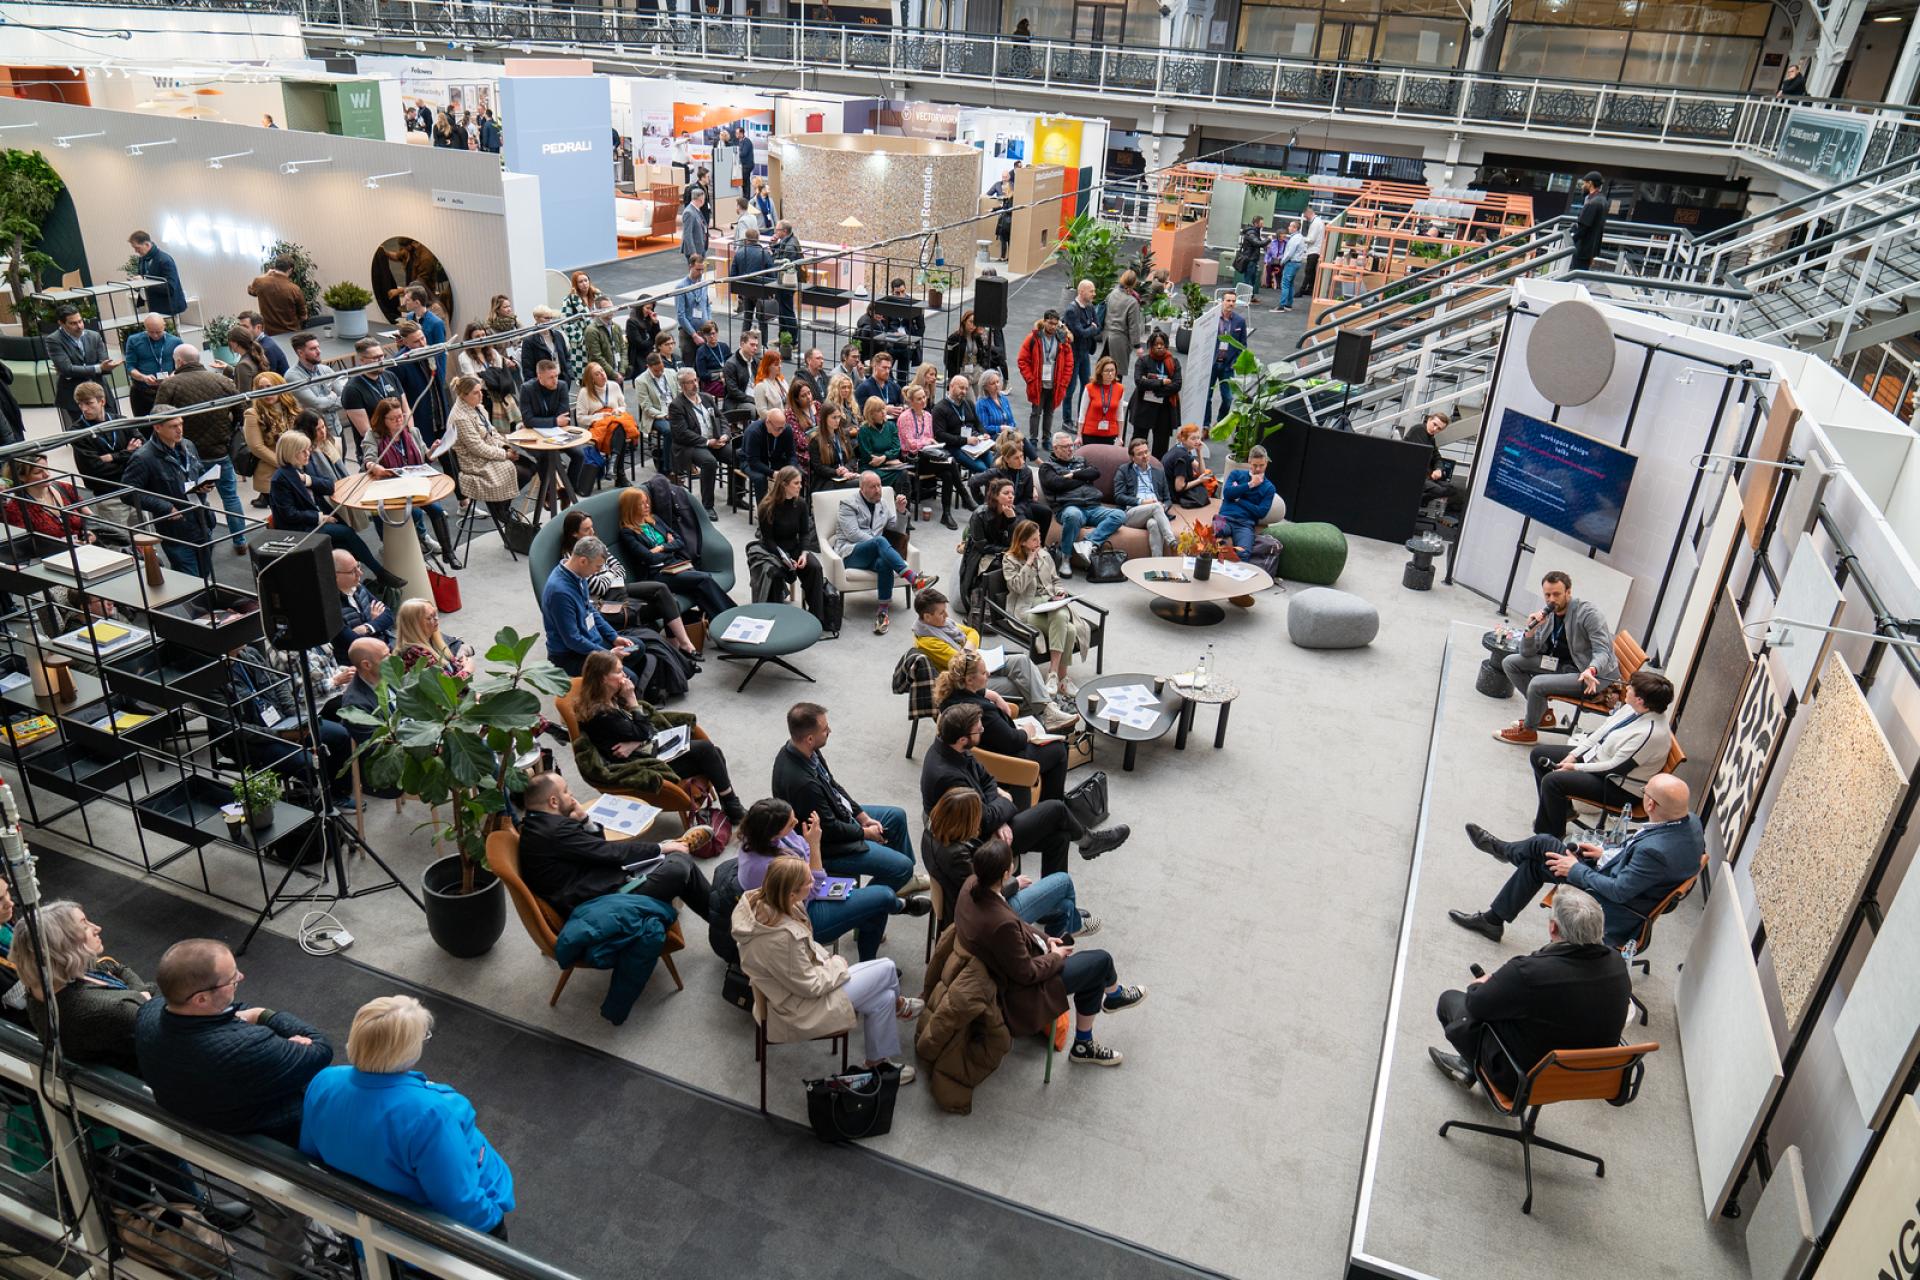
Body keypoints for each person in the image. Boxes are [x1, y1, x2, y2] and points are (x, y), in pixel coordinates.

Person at [135, 939, 333, 1271]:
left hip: (206, 1125)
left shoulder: (150, 1014)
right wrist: (263, 1016)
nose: (240, 977)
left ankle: (325, 1247)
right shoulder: (247, 1048)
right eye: (232, 978)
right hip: (270, 1148)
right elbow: (321, 1049)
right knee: (284, 1222)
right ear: (200, 999)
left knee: (286, 1217)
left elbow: (226, 1016)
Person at [299, 996, 514, 1235]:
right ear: (408, 1049)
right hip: (423, 1238)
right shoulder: (429, 1114)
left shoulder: (324, 1081)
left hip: (366, 1227)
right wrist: (494, 1221)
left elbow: (310, 1154)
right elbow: (460, 1202)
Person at [515, 773, 714, 1024]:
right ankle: (720, 918)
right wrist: (660, 848)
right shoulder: (555, 831)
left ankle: (719, 917)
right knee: (679, 866)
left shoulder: (536, 827)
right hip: (604, 901)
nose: (572, 795)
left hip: (596, 889)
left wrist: (585, 820)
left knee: (679, 867)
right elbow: (608, 852)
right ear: (553, 801)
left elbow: (593, 851)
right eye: (566, 792)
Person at [1450, 772, 1703, 947]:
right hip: (1629, 882)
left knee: (1544, 846)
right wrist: (1605, 855)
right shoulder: (1689, 821)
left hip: (1616, 905)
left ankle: (1502, 852)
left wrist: (1574, 869)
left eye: (1645, 791)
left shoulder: (1655, 852)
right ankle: (1493, 919)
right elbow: (1643, 867)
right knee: (1540, 859)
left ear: (1650, 804)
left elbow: (1619, 891)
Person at [956, 838, 1143, 1068]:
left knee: (1070, 922)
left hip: (1003, 966)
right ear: (1006, 874)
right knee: (1100, 962)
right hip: (1021, 992)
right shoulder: (1000, 924)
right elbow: (1026, 973)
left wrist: (1045, 939)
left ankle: (1107, 1007)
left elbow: (1015, 923)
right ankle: (1101, 1017)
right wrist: (1055, 956)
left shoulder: (971, 886)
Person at [733, 856, 921, 1084]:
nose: (813, 881)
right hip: (800, 1008)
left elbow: (806, 954)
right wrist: (837, 965)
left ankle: (877, 1062)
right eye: (807, 881)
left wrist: (829, 962)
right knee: (887, 967)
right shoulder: (780, 939)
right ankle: (900, 1008)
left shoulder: (770, 904)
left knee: (884, 997)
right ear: (791, 893)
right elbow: (810, 986)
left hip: (800, 989)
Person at [1429, 885, 1629, 1094]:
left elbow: (1476, 1005)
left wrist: (1480, 985)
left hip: (1523, 1079)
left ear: (1553, 927)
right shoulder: (1616, 962)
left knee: (1450, 1000)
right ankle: (1469, 1066)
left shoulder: (1528, 972)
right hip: (1584, 1079)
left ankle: (1473, 1066)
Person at [920, 701, 1126, 878]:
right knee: (1056, 809)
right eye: (979, 730)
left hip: (988, 819)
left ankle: (1056, 910)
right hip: (979, 842)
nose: (982, 732)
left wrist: (997, 808)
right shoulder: (947, 776)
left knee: (1060, 837)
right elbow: (984, 820)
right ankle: (1089, 842)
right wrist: (1004, 802)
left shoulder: (952, 748)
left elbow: (987, 778)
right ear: (963, 739)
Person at [735, 799, 929, 963]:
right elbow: (812, 887)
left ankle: (871, 957)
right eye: (790, 825)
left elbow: (804, 851)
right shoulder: (765, 866)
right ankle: (897, 909)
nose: (796, 822)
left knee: (874, 902)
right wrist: (814, 844)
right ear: (773, 832)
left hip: (807, 891)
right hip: (802, 918)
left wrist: (810, 854)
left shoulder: (767, 838)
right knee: (883, 896)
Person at [772, 701, 924, 895]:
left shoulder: (806, 750)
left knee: (897, 817)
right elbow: (830, 829)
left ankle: (902, 882)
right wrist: (865, 833)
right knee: (902, 866)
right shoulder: (802, 784)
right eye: (825, 729)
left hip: (837, 813)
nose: (830, 731)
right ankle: (874, 900)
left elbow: (832, 785)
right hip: (829, 845)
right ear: (810, 738)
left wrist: (862, 817)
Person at [571, 650, 739, 815]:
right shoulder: (602, 715)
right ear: (603, 678)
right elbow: (643, 730)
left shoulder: (611, 698)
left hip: (645, 748)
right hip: (640, 762)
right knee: (708, 750)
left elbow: (647, 726)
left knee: (712, 752)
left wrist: (636, 741)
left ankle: (730, 803)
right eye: (619, 672)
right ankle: (731, 804)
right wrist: (632, 700)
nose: (625, 676)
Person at [922, 788, 1094, 937]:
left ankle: (1056, 934)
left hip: (964, 906)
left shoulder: (933, 833)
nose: (979, 822)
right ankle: (1071, 928)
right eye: (976, 816)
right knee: (1063, 882)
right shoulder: (957, 856)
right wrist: (1014, 883)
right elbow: (980, 894)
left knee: (1060, 841)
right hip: (988, 916)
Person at [1527, 670, 1674, 837]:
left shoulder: (1651, 734)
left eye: (1631, 688)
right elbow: (1602, 732)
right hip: (1600, 759)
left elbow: (1615, 768)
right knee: (1539, 755)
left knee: (1553, 781)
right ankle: (1562, 812)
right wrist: (1574, 755)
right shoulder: (1634, 708)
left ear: (1640, 700)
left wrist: (1575, 767)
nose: (1626, 689)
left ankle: (1548, 835)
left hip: (1617, 786)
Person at [912, 589, 1076, 731]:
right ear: (927, 616)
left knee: (1022, 661)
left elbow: (972, 632)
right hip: (964, 683)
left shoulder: (943, 624)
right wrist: (968, 652)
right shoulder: (927, 641)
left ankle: (1046, 711)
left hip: (977, 665)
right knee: (1022, 683)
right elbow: (962, 661)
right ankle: (1045, 712)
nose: (947, 615)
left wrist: (968, 649)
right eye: (942, 613)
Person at [1495, 570, 1620, 745]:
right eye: (1547, 595)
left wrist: (1592, 669)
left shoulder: (1589, 614)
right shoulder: (1550, 614)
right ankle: (1544, 715)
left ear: (1568, 592)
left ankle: (1529, 731)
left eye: (1557, 594)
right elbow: (1526, 653)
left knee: (1537, 684)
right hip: (1562, 665)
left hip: (1590, 674)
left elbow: (1603, 651)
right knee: (1510, 663)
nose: (1551, 599)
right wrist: (1530, 631)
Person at [934, 648, 1073, 803]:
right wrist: (1027, 732)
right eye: (983, 672)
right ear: (969, 680)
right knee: (1060, 749)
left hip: (984, 752)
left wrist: (995, 696)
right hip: (1007, 760)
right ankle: (1052, 802)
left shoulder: (950, 697)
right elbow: (1012, 741)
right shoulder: (982, 712)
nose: (988, 674)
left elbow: (976, 694)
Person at [155, 342, 248, 556]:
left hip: (186, 454)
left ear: (178, 362)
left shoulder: (170, 386)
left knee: (197, 499)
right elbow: (240, 409)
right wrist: (230, 431)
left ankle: (205, 540)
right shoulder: (222, 381)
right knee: (230, 497)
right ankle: (240, 540)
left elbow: (158, 415)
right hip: (220, 451)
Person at [269, 430, 396, 584]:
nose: (308, 453)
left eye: (308, 449)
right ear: (291, 453)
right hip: (301, 529)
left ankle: (360, 580)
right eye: (303, 451)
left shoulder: (300, 469)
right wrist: (319, 518)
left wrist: (308, 480)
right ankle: (378, 574)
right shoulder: (280, 479)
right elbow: (289, 514)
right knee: (348, 534)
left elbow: (329, 486)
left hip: (314, 522)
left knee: (345, 542)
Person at [833, 472, 937, 635]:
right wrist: (878, 543)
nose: (878, 490)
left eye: (879, 485)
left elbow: (896, 529)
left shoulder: (882, 503)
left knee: (884, 563)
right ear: (862, 488)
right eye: (872, 487)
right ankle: (913, 579)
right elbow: (853, 534)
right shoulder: (848, 504)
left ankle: (882, 613)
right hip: (851, 554)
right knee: (881, 542)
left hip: (875, 553)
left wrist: (901, 512)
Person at [615, 485, 736, 621]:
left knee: (699, 588)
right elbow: (649, 558)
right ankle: (732, 617)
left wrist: (662, 548)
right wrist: (669, 546)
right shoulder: (628, 533)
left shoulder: (654, 520)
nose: (647, 505)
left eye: (647, 501)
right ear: (631, 507)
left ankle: (719, 620)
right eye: (641, 504)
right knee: (704, 579)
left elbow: (680, 541)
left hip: (676, 565)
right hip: (658, 574)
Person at [365, 398, 462, 567]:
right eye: (393, 418)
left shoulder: (412, 431)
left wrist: (433, 450)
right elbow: (369, 460)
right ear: (382, 420)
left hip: (415, 483)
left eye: (401, 416)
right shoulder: (374, 436)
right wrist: (376, 467)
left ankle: (449, 553)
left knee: (437, 510)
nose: (399, 421)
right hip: (390, 486)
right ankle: (413, 554)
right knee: (414, 513)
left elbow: (425, 457)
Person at [1003, 518, 1091, 696]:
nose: (1039, 542)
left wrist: (1060, 592)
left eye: (1039, 537)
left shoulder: (1044, 554)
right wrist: (1028, 562)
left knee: (1067, 625)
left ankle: (1053, 675)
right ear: (1023, 541)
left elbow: (1056, 580)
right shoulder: (1009, 559)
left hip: (1049, 604)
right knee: (1067, 626)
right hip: (1026, 607)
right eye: (1034, 539)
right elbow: (1017, 587)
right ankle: (1063, 679)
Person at [121, 416, 215, 574]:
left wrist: (205, 483)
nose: (180, 429)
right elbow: (128, 493)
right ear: (157, 428)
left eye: (181, 424)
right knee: (190, 580)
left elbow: (198, 470)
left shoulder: (188, 445)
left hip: (202, 522)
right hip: (176, 530)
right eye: (173, 426)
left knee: (206, 575)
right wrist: (165, 507)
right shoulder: (143, 458)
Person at [447, 373, 525, 530]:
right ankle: (500, 509)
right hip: (474, 463)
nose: (481, 395)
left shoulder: (477, 407)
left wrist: (506, 446)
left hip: (487, 453)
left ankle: (502, 507)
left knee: (529, 464)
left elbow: (492, 432)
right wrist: (505, 455)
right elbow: (477, 448)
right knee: (520, 470)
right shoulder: (460, 417)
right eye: (476, 392)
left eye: (480, 390)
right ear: (463, 395)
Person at [1039, 432, 1124, 576]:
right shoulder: (1047, 467)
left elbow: (1095, 473)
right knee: (1073, 515)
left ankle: (1089, 542)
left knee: (1119, 515)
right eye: (1066, 446)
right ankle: (1066, 559)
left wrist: (1072, 475)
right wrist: (1082, 477)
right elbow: (1057, 484)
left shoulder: (1080, 460)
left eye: (1071, 445)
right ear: (1056, 448)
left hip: (1093, 507)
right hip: (1068, 507)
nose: (1070, 449)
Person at [750, 464, 826, 618]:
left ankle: (817, 617)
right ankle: (776, 617)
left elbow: (805, 533)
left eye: (800, 482)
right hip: (773, 550)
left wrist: (804, 554)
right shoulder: (766, 506)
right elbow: (768, 539)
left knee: (815, 568)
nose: (800, 486)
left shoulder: (801, 504)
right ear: (784, 484)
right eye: (796, 483)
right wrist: (783, 557)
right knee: (775, 573)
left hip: (794, 547)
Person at [897, 383, 965, 529]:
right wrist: (927, 441)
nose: (923, 401)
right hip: (912, 459)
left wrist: (929, 442)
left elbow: (930, 438)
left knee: (947, 473)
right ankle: (964, 494)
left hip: (928, 456)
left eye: (924, 397)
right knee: (950, 462)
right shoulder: (904, 417)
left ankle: (946, 514)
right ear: (911, 401)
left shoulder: (928, 416)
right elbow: (910, 444)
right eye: (919, 399)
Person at [667, 368, 732, 518]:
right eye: (690, 382)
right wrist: (708, 442)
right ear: (682, 385)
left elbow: (721, 418)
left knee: (737, 455)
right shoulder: (677, 405)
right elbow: (682, 434)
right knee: (709, 462)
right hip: (692, 445)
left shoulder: (707, 398)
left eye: (695, 380)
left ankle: (736, 496)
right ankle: (708, 506)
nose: (695, 384)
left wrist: (725, 435)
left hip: (715, 439)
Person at [44, 304, 121, 427]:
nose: (79, 326)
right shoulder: (53, 340)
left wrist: (98, 368)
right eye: (73, 323)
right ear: (62, 324)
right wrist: (97, 368)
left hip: (100, 391)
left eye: (80, 321)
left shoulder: (94, 336)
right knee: (85, 435)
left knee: (114, 427)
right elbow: (67, 369)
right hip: (74, 396)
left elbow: (105, 364)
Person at [68, 381, 140, 505]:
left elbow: (142, 450)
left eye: (89, 403)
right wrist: (128, 455)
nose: (84, 409)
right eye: (80, 404)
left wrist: (113, 457)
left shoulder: (121, 421)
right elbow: (94, 468)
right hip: (108, 494)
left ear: (102, 401)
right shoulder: (77, 432)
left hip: (135, 488)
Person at [1111, 436, 1178, 558]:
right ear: (1132, 457)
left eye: (1146, 452)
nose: (1145, 456)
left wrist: (1165, 506)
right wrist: (1142, 502)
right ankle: (1172, 541)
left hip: (1155, 512)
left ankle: (1156, 565)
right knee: (1156, 506)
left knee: (1154, 524)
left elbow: (1168, 499)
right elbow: (1119, 496)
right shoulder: (1124, 470)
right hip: (1132, 513)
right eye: (1140, 454)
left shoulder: (1159, 472)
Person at [4, 453, 92, 543]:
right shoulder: (15, 508)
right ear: (21, 477)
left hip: (85, 548)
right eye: (38, 472)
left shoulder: (64, 487)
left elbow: (90, 516)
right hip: (55, 555)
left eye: (47, 468)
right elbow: (25, 544)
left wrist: (90, 533)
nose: (46, 474)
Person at [578, 361, 640, 487]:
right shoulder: (585, 392)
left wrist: (618, 410)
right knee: (620, 426)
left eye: (602, 371)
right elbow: (580, 418)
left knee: (618, 423)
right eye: (597, 374)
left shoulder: (614, 386)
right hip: (598, 425)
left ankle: (614, 464)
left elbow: (623, 406)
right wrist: (599, 416)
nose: (602, 374)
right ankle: (619, 473)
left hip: (616, 421)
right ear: (591, 379)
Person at [1017, 311, 1074, 437]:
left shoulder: (1062, 340)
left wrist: (1064, 382)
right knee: (1036, 412)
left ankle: (1047, 438)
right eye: (1050, 323)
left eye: (1055, 324)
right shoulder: (1033, 338)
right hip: (1037, 382)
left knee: (1050, 412)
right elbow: (1022, 360)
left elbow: (1069, 364)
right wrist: (1030, 379)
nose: (1053, 327)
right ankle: (1033, 438)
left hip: (1055, 383)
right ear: (1044, 321)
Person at [331, 549, 396, 658]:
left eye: (358, 566)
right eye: (352, 571)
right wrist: (375, 622)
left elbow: (389, 615)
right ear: (335, 575)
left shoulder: (359, 587)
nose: (360, 573)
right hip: (364, 663)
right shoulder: (330, 608)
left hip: (387, 646)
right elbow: (353, 642)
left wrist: (367, 627)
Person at [1218, 445, 1277, 556]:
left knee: (1244, 554)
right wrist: (1250, 484)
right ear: (1249, 462)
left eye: (1261, 465)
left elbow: (1261, 512)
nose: (1258, 469)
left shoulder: (1269, 488)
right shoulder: (1236, 474)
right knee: (1210, 535)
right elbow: (1227, 493)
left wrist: (1239, 499)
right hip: (1224, 517)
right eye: (1255, 465)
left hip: (1245, 525)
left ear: (1266, 463)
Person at [1129, 331, 1182, 456]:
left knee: (1161, 445)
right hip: (1143, 408)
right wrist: (1162, 382)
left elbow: (1177, 385)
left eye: (1162, 344)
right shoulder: (1142, 361)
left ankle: (1157, 470)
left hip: (1164, 410)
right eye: (1156, 344)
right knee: (1139, 443)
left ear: (1166, 345)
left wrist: (1151, 385)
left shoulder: (1174, 362)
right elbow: (1139, 382)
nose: (1159, 347)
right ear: (1151, 346)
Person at [394, 597, 474, 678]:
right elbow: (447, 685)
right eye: (429, 618)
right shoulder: (416, 652)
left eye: (435, 614)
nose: (436, 619)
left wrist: (460, 664)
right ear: (415, 626)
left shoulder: (432, 636)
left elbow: (451, 664)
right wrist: (467, 670)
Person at [284, 332, 345, 438]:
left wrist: (326, 403)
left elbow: (346, 397)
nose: (319, 351)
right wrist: (333, 397)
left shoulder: (326, 370)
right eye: (313, 349)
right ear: (300, 353)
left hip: (336, 429)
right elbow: (317, 405)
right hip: (315, 435)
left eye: (318, 347)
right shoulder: (293, 376)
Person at [1404, 410, 1465, 516]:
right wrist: (1431, 474)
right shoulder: (1418, 430)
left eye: (1439, 428)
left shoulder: (1430, 438)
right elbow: (1419, 459)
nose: (1435, 429)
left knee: (1452, 489)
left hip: (1427, 476)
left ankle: (1421, 500)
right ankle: (1419, 501)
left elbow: (1437, 457)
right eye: (1434, 424)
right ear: (1429, 420)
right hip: (1414, 475)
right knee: (1439, 490)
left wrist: (1438, 469)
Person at [122, 312, 181, 418]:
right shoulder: (134, 341)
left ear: (164, 326)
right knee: (145, 425)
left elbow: (181, 366)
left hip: (169, 390)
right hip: (142, 391)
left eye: (158, 332)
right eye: (151, 332)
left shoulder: (175, 341)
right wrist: (143, 377)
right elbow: (130, 367)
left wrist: (172, 376)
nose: (155, 335)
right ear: (145, 328)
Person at [1062, 280, 1103, 418]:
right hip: (1073, 356)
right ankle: (1067, 419)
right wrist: (1091, 328)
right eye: (1091, 291)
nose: (1094, 294)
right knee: (1070, 389)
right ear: (1081, 292)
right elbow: (1081, 333)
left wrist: (1090, 329)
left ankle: (1082, 417)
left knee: (1086, 386)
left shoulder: (1090, 307)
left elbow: (1099, 327)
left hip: (1084, 353)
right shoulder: (1071, 310)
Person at [1209, 291, 1249, 427]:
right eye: (1228, 300)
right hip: (1212, 364)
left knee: (1228, 398)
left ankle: (1220, 422)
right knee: (1207, 397)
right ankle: (1206, 425)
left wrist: (1235, 362)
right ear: (1222, 301)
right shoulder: (1212, 318)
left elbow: (1243, 345)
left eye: (1233, 301)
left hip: (1228, 366)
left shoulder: (1240, 321)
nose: (1231, 303)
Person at [743, 407, 797, 507]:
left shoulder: (786, 429)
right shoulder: (754, 432)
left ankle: (791, 508)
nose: (781, 431)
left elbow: (792, 454)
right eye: (778, 428)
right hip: (751, 462)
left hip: (774, 459)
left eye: (783, 427)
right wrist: (772, 473)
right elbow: (753, 461)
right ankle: (764, 512)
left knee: (796, 474)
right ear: (768, 423)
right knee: (760, 478)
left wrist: (791, 469)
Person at [128, 231, 187, 320]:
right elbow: (143, 279)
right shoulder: (142, 260)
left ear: (147, 244)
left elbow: (170, 287)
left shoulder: (165, 260)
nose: (136, 251)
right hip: (153, 307)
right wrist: (136, 283)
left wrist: (144, 281)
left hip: (168, 308)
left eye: (137, 248)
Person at [247, 255, 308, 335]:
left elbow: (250, 290)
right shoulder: (294, 289)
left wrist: (266, 275)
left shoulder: (260, 283)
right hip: (291, 334)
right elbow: (304, 316)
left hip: (270, 334)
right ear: (290, 270)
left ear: (275, 267)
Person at [1163, 421, 1215, 510]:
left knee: (1207, 478)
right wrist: (1199, 480)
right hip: (1172, 493)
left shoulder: (1180, 447)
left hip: (1167, 488)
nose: (1197, 441)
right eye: (1193, 438)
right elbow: (1179, 487)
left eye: (1198, 438)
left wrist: (1199, 452)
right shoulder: (1182, 457)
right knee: (1203, 492)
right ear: (1183, 439)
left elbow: (1201, 471)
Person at [809, 403, 860, 491]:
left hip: (845, 475)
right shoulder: (816, 440)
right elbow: (818, 467)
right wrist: (836, 472)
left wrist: (846, 469)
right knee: (859, 483)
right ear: (824, 419)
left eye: (839, 417)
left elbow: (852, 458)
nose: (837, 421)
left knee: (868, 479)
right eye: (834, 417)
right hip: (826, 480)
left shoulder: (843, 435)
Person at [1102, 270, 1145, 370]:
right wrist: (1137, 346)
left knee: (1105, 371)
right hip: (1120, 341)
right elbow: (1134, 326)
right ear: (1134, 283)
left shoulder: (1112, 294)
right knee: (1117, 373)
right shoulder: (1132, 302)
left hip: (1107, 337)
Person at [1078, 355, 1124, 445]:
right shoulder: (1090, 388)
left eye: (1112, 370)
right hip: (1090, 433)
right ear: (1100, 372)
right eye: (1107, 371)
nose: (1110, 374)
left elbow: (1120, 414)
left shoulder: (1120, 388)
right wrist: (1079, 435)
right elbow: (1082, 413)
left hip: (1111, 434)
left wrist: (1120, 437)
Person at [674, 256, 712, 356]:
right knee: (689, 368)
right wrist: (694, 335)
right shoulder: (681, 287)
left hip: (704, 333)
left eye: (702, 270)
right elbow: (681, 316)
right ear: (690, 267)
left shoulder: (704, 284)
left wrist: (709, 321)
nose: (700, 273)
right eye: (698, 269)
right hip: (688, 335)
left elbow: (707, 305)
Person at [1572, 171, 1607, 272]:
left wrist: (1572, 240)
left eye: (1584, 183)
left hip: (1583, 248)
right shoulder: (1603, 200)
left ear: (1590, 183)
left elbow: (1583, 228)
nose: (1583, 186)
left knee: (1577, 275)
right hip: (1591, 248)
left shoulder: (1593, 202)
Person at [1271, 219, 1308, 313]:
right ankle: (1288, 305)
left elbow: (1289, 253)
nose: (1289, 227)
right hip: (1296, 263)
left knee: (1285, 284)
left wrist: (1282, 261)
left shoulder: (1295, 239)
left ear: (1295, 228)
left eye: (1290, 226)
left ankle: (1281, 306)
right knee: (1290, 284)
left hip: (1291, 263)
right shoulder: (1300, 237)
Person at [975, 369, 1018, 438]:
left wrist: (1011, 428)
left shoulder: (1004, 398)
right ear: (985, 387)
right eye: (993, 383)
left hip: (1009, 433)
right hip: (993, 436)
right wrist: (1000, 428)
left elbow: (1011, 420)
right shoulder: (981, 403)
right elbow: (984, 427)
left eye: (998, 382)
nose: (997, 385)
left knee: (1023, 442)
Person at [1298, 207, 1326, 312]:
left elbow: (1311, 239)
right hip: (1316, 250)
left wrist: (1300, 239)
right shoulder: (1318, 222)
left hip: (1314, 250)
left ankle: (1302, 290)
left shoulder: (1315, 223)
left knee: (1308, 271)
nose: (1305, 218)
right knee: (1311, 272)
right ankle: (1309, 289)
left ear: (1308, 213)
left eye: (1305, 216)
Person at [1234, 216, 1267, 301]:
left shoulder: (1255, 232)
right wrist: (1268, 240)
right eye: (1261, 223)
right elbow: (1257, 243)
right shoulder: (1252, 233)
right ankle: (1243, 298)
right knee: (1248, 279)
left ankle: (1250, 297)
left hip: (1253, 259)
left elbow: (1259, 242)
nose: (1263, 224)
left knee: (1252, 279)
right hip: (1250, 260)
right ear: (1256, 223)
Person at [681, 186, 711, 262]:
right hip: (695, 251)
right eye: (703, 199)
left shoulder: (696, 210)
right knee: (695, 273)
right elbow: (687, 234)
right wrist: (693, 252)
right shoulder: (689, 212)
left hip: (701, 248)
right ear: (700, 199)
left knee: (700, 272)